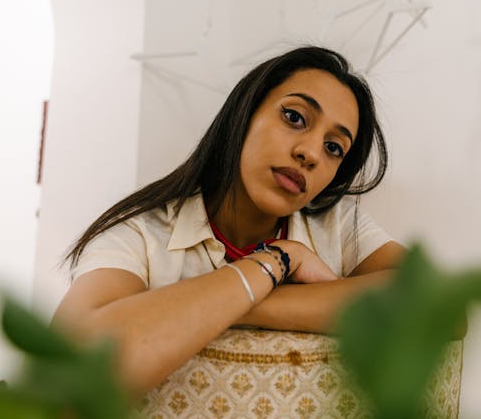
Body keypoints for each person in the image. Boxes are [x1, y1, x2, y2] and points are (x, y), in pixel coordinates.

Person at [52, 46, 405, 395]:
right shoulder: (139, 236)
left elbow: (432, 307)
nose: (310, 153)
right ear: (244, 113)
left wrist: (234, 304)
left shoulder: (338, 225)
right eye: (295, 118)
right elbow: (69, 369)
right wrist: (275, 262)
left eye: (334, 148)